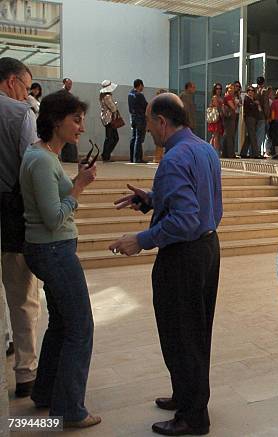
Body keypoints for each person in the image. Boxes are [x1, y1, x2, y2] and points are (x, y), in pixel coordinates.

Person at [109, 93, 222, 436]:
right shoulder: (203, 148)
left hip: (183, 255)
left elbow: (185, 220)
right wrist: (151, 199)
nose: (143, 125)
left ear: (162, 121)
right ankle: (188, 396)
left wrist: (139, 240)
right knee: (195, 331)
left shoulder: (173, 158)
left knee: (180, 334)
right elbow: (196, 200)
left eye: (147, 119)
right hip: (207, 249)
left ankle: (192, 417)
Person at [20, 90, 100, 427]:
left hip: (51, 249)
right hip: (52, 249)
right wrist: (79, 186)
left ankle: (46, 392)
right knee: (80, 328)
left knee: (62, 323)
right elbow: (53, 217)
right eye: (76, 120)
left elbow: (56, 194)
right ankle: (68, 410)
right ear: (56, 122)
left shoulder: (47, 156)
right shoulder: (41, 159)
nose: (81, 127)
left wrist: (75, 180)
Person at [0, 56, 40, 399]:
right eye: (26, 88)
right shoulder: (18, 113)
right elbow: (31, 170)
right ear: (11, 81)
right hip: (12, 214)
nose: (28, 95)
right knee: (22, 295)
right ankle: (26, 372)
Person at [99, 80, 120, 162]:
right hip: (109, 118)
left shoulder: (103, 96)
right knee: (112, 138)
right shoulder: (107, 96)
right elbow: (113, 108)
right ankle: (105, 155)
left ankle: (106, 154)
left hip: (107, 118)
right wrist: (115, 106)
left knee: (111, 137)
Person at [128, 78, 148, 163]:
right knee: (139, 138)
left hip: (133, 117)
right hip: (140, 117)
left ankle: (132, 157)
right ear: (140, 85)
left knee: (134, 138)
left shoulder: (130, 94)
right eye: (142, 86)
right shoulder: (139, 95)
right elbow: (146, 105)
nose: (143, 88)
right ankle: (138, 158)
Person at [239, 86, 262, 158]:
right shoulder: (247, 99)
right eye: (249, 90)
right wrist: (255, 103)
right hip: (249, 118)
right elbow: (250, 108)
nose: (251, 92)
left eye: (252, 90)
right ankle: (256, 153)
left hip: (254, 118)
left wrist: (257, 104)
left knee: (249, 136)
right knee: (252, 135)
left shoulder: (254, 99)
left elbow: (259, 110)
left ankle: (243, 152)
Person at [59, 77, 78, 163]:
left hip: (68, 117)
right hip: (64, 118)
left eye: (71, 84)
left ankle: (68, 157)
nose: (70, 85)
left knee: (67, 139)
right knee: (69, 138)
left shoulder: (67, 94)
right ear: (64, 83)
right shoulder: (62, 94)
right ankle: (70, 158)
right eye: (69, 84)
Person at [221, 83, 238, 158]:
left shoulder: (230, 97)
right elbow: (233, 107)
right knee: (229, 136)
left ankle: (225, 153)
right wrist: (236, 103)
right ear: (227, 89)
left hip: (230, 118)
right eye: (230, 88)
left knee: (227, 135)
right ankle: (230, 154)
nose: (232, 89)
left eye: (233, 88)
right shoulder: (228, 97)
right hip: (229, 118)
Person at [254, 76, 270, 155]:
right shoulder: (264, 91)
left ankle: (253, 151)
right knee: (260, 135)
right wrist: (267, 116)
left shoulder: (254, 90)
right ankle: (258, 152)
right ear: (263, 83)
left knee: (255, 134)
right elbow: (266, 105)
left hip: (253, 116)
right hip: (261, 116)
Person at [207, 82, 224, 151]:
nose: (219, 90)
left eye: (220, 88)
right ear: (214, 89)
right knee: (216, 135)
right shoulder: (215, 97)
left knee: (215, 135)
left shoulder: (220, 97)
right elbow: (217, 106)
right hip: (215, 118)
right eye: (217, 88)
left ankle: (211, 150)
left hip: (219, 118)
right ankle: (215, 151)